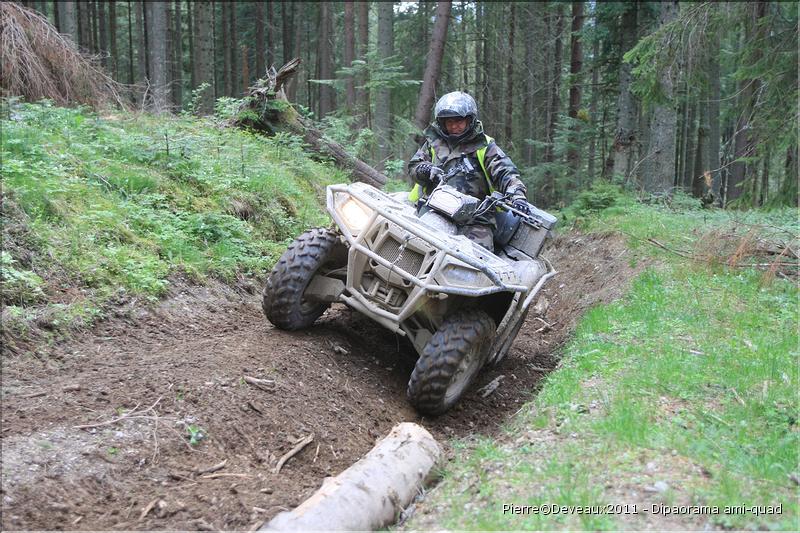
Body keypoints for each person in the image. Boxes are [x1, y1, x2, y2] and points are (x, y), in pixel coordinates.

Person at [407, 91, 529, 252]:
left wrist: (518, 196)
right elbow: (414, 166)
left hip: (476, 218)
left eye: (459, 121)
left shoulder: (485, 146)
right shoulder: (434, 143)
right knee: (414, 247)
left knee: (477, 259)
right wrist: (425, 169)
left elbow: (507, 174)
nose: (454, 126)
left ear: (470, 120)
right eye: (449, 122)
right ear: (442, 123)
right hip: (435, 208)